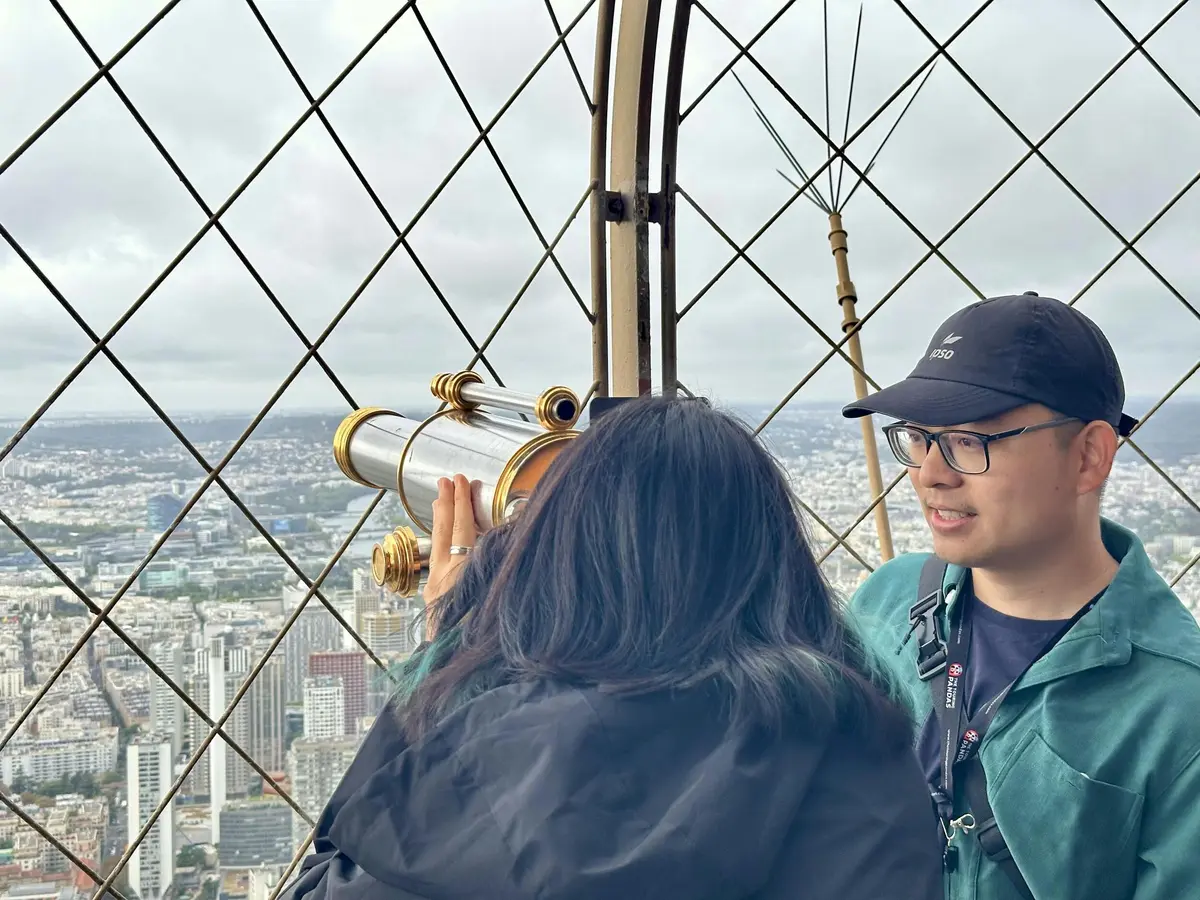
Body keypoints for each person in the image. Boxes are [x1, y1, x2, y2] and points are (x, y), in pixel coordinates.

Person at [282, 395, 942, 900]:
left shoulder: (483, 779)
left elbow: (330, 880)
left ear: (554, 558)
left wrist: (453, 649)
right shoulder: (867, 758)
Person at [841, 292, 1200, 900]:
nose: (930, 472)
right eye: (920, 437)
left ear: (1089, 456)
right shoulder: (886, 601)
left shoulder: (1176, 707)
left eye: (968, 440)